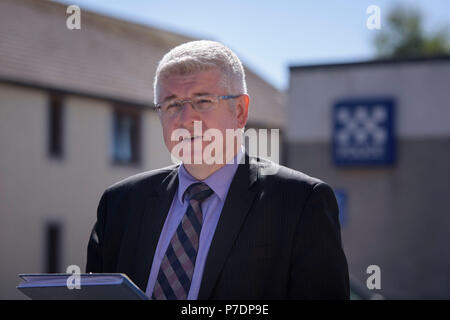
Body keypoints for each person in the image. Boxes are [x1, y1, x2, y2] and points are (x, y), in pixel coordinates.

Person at [86, 40, 349, 300]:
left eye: (202, 101)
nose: (185, 119)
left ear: (240, 111)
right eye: (172, 104)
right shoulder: (120, 203)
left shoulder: (301, 203)